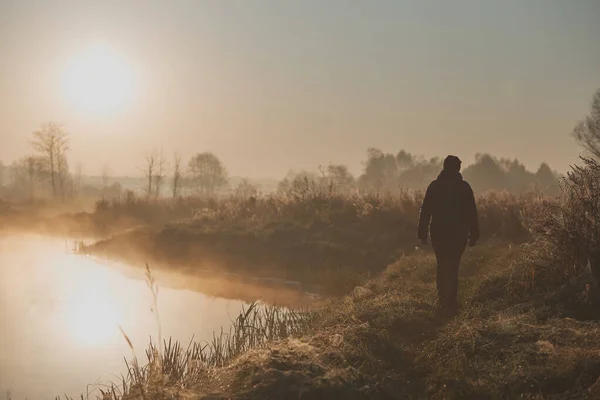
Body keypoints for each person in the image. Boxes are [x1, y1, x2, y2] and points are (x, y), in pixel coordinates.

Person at [417, 155, 479, 310]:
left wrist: (422, 232)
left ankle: (442, 298)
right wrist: (474, 233)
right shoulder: (464, 187)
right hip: (459, 232)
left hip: (438, 231)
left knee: (442, 264)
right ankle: (450, 300)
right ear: (457, 168)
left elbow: (425, 211)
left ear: (444, 167)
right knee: (453, 265)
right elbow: (472, 212)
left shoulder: (434, 186)